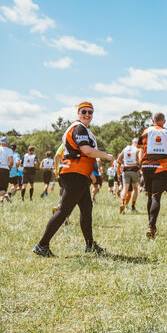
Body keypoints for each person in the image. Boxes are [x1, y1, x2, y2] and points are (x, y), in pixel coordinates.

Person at [33, 102, 113, 257]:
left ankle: (90, 245)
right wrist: (107, 156)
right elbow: (86, 150)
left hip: (80, 173)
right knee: (64, 210)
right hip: (74, 173)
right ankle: (42, 245)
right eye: (84, 111)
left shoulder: (84, 129)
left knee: (86, 209)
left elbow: (78, 153)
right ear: (78, 113)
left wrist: (89, 173)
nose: (87, 114)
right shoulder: (79, 128)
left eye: (90, 112)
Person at [138, 112, 167, 238]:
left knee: (149, 196)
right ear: (164, 121)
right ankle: (152, 226)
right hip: (160, 167)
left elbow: (140, 145)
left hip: (146, 167)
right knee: (156, 196)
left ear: (153, 121)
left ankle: (150, 224)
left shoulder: (146, 131)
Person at [118, 139, 141, 213]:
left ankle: (122, 203)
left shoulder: (125, 149)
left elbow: (119, 159)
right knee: (135, 189)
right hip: (134, 170)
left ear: (132, 142)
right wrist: (139, 165)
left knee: (125, 188)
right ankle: (133, 206)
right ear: (137, 143)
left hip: (126, 170)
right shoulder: (138, 149)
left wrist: (123, 163)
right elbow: (140, 160)